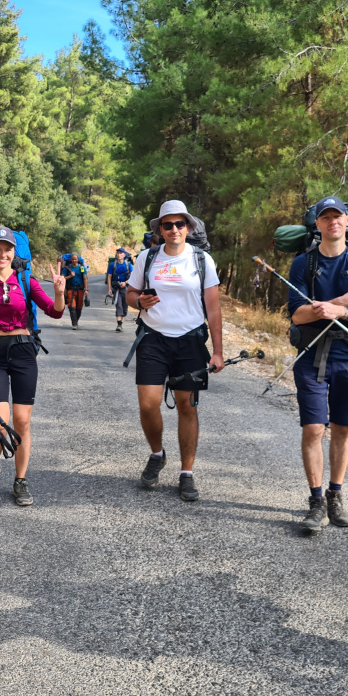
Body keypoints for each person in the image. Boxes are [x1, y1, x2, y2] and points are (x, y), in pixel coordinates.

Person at [287, 196, 348, 535]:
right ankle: (315, 501)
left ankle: (335, 494)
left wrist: (341, 312)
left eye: (337, 217)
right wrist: (337, 302)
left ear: (347, 221)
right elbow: (297, 315)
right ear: (318, 224)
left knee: (343, 428)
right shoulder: (303, 264)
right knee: (314, 428)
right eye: (325, 217)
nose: (332, 223)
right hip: (311, 355)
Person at [125, 200, 223, 502]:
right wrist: (138, 302)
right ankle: (157, 454)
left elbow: (214, 308)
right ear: (160, 230)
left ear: (189, 227)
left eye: (180, 224)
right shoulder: (148, 257)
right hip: (153, 338)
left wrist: (218, 351)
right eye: (168, 225)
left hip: (190, 341)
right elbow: (130, 293)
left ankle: (186, 473)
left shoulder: (202, 260)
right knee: (147, 404)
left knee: (186, 406)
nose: (174, 229)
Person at [0, 227, 66, 506]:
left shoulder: (26, 280)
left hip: (24, 352)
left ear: (14, 252)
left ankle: (20, 480)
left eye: (7, 248)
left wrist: (59, 293)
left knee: (22, 421)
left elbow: (55, 311)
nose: (2, 253)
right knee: (0, 419)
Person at [107, 248, 134, 332]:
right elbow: (109, 276)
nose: (118, 254)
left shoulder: (128, 264)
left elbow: (133, 276)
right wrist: (109, 289)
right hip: (116, 288)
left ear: (124, 255)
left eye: (120, 253)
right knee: (118, 304)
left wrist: (125, 282)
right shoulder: (112, 265)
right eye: (118, 253)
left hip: (126, 288)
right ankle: (119, 325)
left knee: (125, 306)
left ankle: (121, 322)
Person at [61, 253, 89, 330]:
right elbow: (62, 278)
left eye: (75, 259)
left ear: (78, 259)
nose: (74, 261)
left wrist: (86, 289)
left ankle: (75, 321)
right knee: (71, 306)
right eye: (72, 259)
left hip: (80, 290)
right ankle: (74, 323)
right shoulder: (67, 268)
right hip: (70, 289)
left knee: (79, 307)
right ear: (71, 260)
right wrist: (70, 276)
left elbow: (85, 278)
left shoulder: (81, 268)